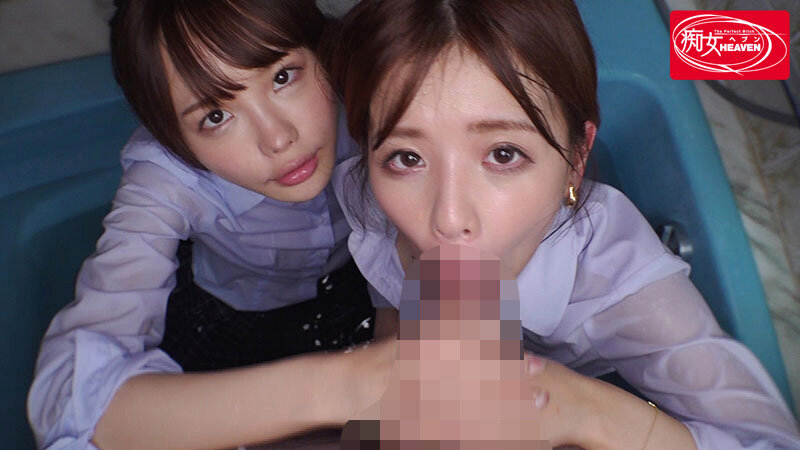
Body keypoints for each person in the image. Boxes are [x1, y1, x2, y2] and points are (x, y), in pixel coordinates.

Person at [326, 0, 800, 447]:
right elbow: (385, 280)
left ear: (576, 158)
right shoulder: (368, 190)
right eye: (408, 157)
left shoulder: (618, 283)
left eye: (503, 154)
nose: (448, 219)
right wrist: (393, 350)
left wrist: (583, 409)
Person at [27, 1, 397, 448]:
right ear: (172, 137)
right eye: (215, 116)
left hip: (352, 290)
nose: (278, 138)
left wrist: (390, 326)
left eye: (283, 76)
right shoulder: (165, 177)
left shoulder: (373, 98)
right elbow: (67, 403)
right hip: (233, 315)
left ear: (322, 50)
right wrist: (337, 387)